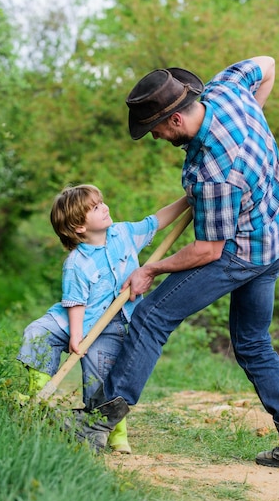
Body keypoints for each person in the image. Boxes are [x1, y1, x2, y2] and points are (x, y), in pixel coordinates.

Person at [68, 57, 279, 471]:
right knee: (253, 342)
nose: (153, 137)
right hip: (275, 239)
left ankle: (97, 425)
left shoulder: (215, 173)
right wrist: (253, 117)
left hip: (239, 253)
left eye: (153, 129)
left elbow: (208, 250)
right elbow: (268, 63)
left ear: (173, 120)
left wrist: (150, 269)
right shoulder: (227, 92)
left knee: (151, 316)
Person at [17, 183, 188, 453]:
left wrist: (187, 200)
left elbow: (156, 221)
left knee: (102, 377)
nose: (105, 207)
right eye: (96, 208)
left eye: (101, 202)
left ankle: (115, 431)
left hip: (112, 326)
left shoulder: (124, 233)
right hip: (72, 320)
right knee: (38, 333)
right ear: (79, 228)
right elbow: (75, 302)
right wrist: (76, 337)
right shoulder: (77, 263)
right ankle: (39, 399)